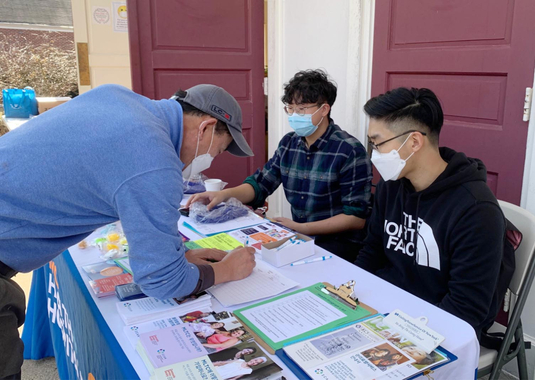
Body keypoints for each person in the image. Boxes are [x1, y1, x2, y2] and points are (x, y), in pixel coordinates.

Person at [0, 83, 257, 379]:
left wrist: (180, 253)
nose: (212, 160)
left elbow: (127, 195)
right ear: (206, 128)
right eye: (219, 150)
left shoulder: (116, 97)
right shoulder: (154, 160)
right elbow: (160, 281)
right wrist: (227, 271)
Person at [355, 87, 507, 339]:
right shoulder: (390, 186)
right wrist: (351, 294)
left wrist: (400, 337)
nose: (374, 154)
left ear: (414, 141)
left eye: (378, 143)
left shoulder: (477, 211)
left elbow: (466, 309)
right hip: (385, 309)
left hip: (434, 327)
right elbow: (371, 251)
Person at [188, 70, 373, 261]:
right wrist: (222, 195)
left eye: (301, 109)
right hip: (299, 239)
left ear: (324, 109)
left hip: (337, 246)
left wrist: (302, 228)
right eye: (290, 109)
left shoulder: (349, 150)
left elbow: (356, 218)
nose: (294, 115)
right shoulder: (289, 143)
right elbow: (260, 185)